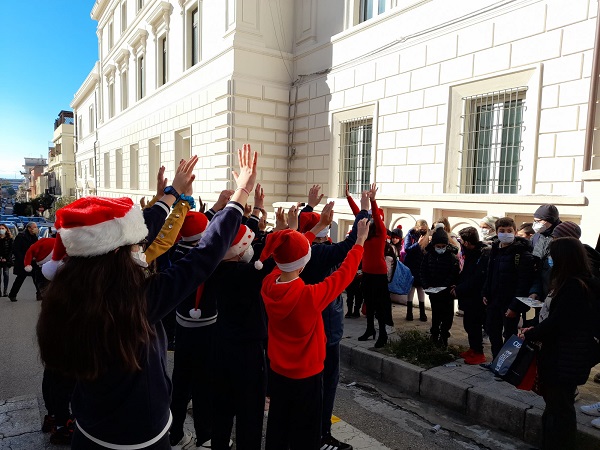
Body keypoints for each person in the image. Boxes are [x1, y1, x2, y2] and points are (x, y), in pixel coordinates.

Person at [37, 147, 257, 450]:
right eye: (135, 246)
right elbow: (205, 254)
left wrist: (173, 193)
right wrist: (240, 195)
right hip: (141, 440)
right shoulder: (139, 300)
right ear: (116, 254)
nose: (141, 248)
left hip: (88, 432)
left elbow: (138, 227)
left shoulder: (66, 292)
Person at [257, 207, 368, 450]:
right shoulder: (309, 296)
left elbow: (286, 255)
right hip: (306, 376)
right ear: (304, 262)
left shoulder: (268, 283)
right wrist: (359, 241)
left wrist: (300, 233)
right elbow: (344, 273)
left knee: (278, 425)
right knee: (305, 433)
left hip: (278, 372)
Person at [299, 184, 369, 450]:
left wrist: (309, 207)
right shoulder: (319, 254)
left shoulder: (295, 251)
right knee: (326, 384)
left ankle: (305, 430)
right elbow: (352, 244)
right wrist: (363, 211)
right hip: (326, 330)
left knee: (306, 385)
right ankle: (320, 435)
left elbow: (300, 230)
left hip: (303, 327)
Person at [522, 238, 600, 449]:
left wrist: (531, 334)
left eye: (553, 257)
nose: (550, 261)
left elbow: (558, 323)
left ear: (563, 258)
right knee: (557, 407)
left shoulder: (575, 286)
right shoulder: (578, 281)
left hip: (564, 357)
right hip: (566, 355)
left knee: (560, 410)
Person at [482, 217, 535, 359]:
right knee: (493, 331)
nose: (505, 233)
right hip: (494, 301)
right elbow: (490, 274)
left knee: (510, 335)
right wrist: (485, 293)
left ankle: (507, 365)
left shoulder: (522, 254)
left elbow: (524, 283)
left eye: (509, 231)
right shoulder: (494, 250)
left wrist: (514, 307)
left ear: (515, 231)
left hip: (510, 304)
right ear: (497, 232)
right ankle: (496, 360)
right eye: (502, 231)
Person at [357, 184, 393, 348]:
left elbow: (377, 218)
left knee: (380, 306)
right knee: (369, 304)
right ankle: (370, 329)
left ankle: (383, 334)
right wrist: (351, 198)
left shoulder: (380, 234)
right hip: (367, 273)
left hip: (378, 274)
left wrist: (373, 201)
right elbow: (358, 215)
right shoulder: (365, 236)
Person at [452, 227, 489, 364]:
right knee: (468, 324)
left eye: (461, 241)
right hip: (467, 296)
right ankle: (473, 349)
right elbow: (465, 273)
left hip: (476, 298)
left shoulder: (482, 255)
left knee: (474, 325)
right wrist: (458, 285)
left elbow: (476, 278)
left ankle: (479, 353)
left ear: (467, 242)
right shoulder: (470, 253)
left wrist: (460, 288)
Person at [420, 226, 460, 347]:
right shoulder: (428, 256)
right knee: (436, 315)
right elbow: (423, 271)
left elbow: (453, 274)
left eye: (443, 246)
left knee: (447, 316)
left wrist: (444, 286)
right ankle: (434, 334)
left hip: (446, 292)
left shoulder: (451, 257)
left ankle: (444, 336)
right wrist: (427, 286)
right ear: (434, 245)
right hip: (433, 291)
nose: (441, 249)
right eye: (439, 246)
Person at [529, 204, 561, 303]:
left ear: (550, 220)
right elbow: (536, 267)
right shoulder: (536, 237)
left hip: (556, 291)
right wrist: (535, 290)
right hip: (539, 289)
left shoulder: (561, 237)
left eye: (539, 221)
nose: (535, 224)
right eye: (534, 221)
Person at [403, 219, 429, 321]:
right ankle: (409, 313)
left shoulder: (428, 235)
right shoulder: (410, 235)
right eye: (421, 229)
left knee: (420, 288)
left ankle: (422, 313)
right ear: (417, 228)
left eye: (425, 229)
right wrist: (418, 243)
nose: (423, 231)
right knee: (412, 288)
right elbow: (407, 249)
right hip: (411, 264)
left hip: (422, 265)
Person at [8, 221, 39, 302]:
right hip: (23, 262)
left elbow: (36, 247)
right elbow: (16, 249)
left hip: (33, 261)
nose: (36, 229)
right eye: (34, 227)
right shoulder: (21, 236)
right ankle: (12, 294)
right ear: (29, 228)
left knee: (36, 278)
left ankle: (39, 294)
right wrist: (23, 259)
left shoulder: (34, 237)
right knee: (20, 278)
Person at [0, 223, 13, 297]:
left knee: (6, 275)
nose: (1, 230)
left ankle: (5, 291)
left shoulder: (9, 239)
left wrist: (6, 258)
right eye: (0, 228)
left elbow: (11, 250)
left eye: (2, 228)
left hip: (6, 260)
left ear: (6, 229)